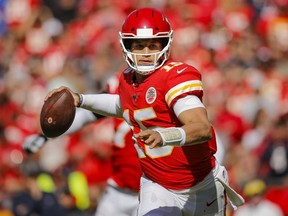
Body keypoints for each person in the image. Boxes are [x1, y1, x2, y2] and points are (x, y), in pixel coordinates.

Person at [45, 7, 244, 216]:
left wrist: (164, 135)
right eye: (139, 46)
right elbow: (122, 106)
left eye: (153, 45)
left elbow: (201, 128)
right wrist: (80, 99)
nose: (147, 53)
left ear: (165, 44)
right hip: (159, 187)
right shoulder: (126, 80)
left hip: (202, 186)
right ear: (127, 46)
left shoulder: (175, 76)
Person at [23, 73, 142, 216]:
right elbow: (90, 114)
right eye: (138, 48)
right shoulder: (121, 80)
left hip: (154, 188)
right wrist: (46, 135)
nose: (144, 53)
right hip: (118, 188)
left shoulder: (169, 79)